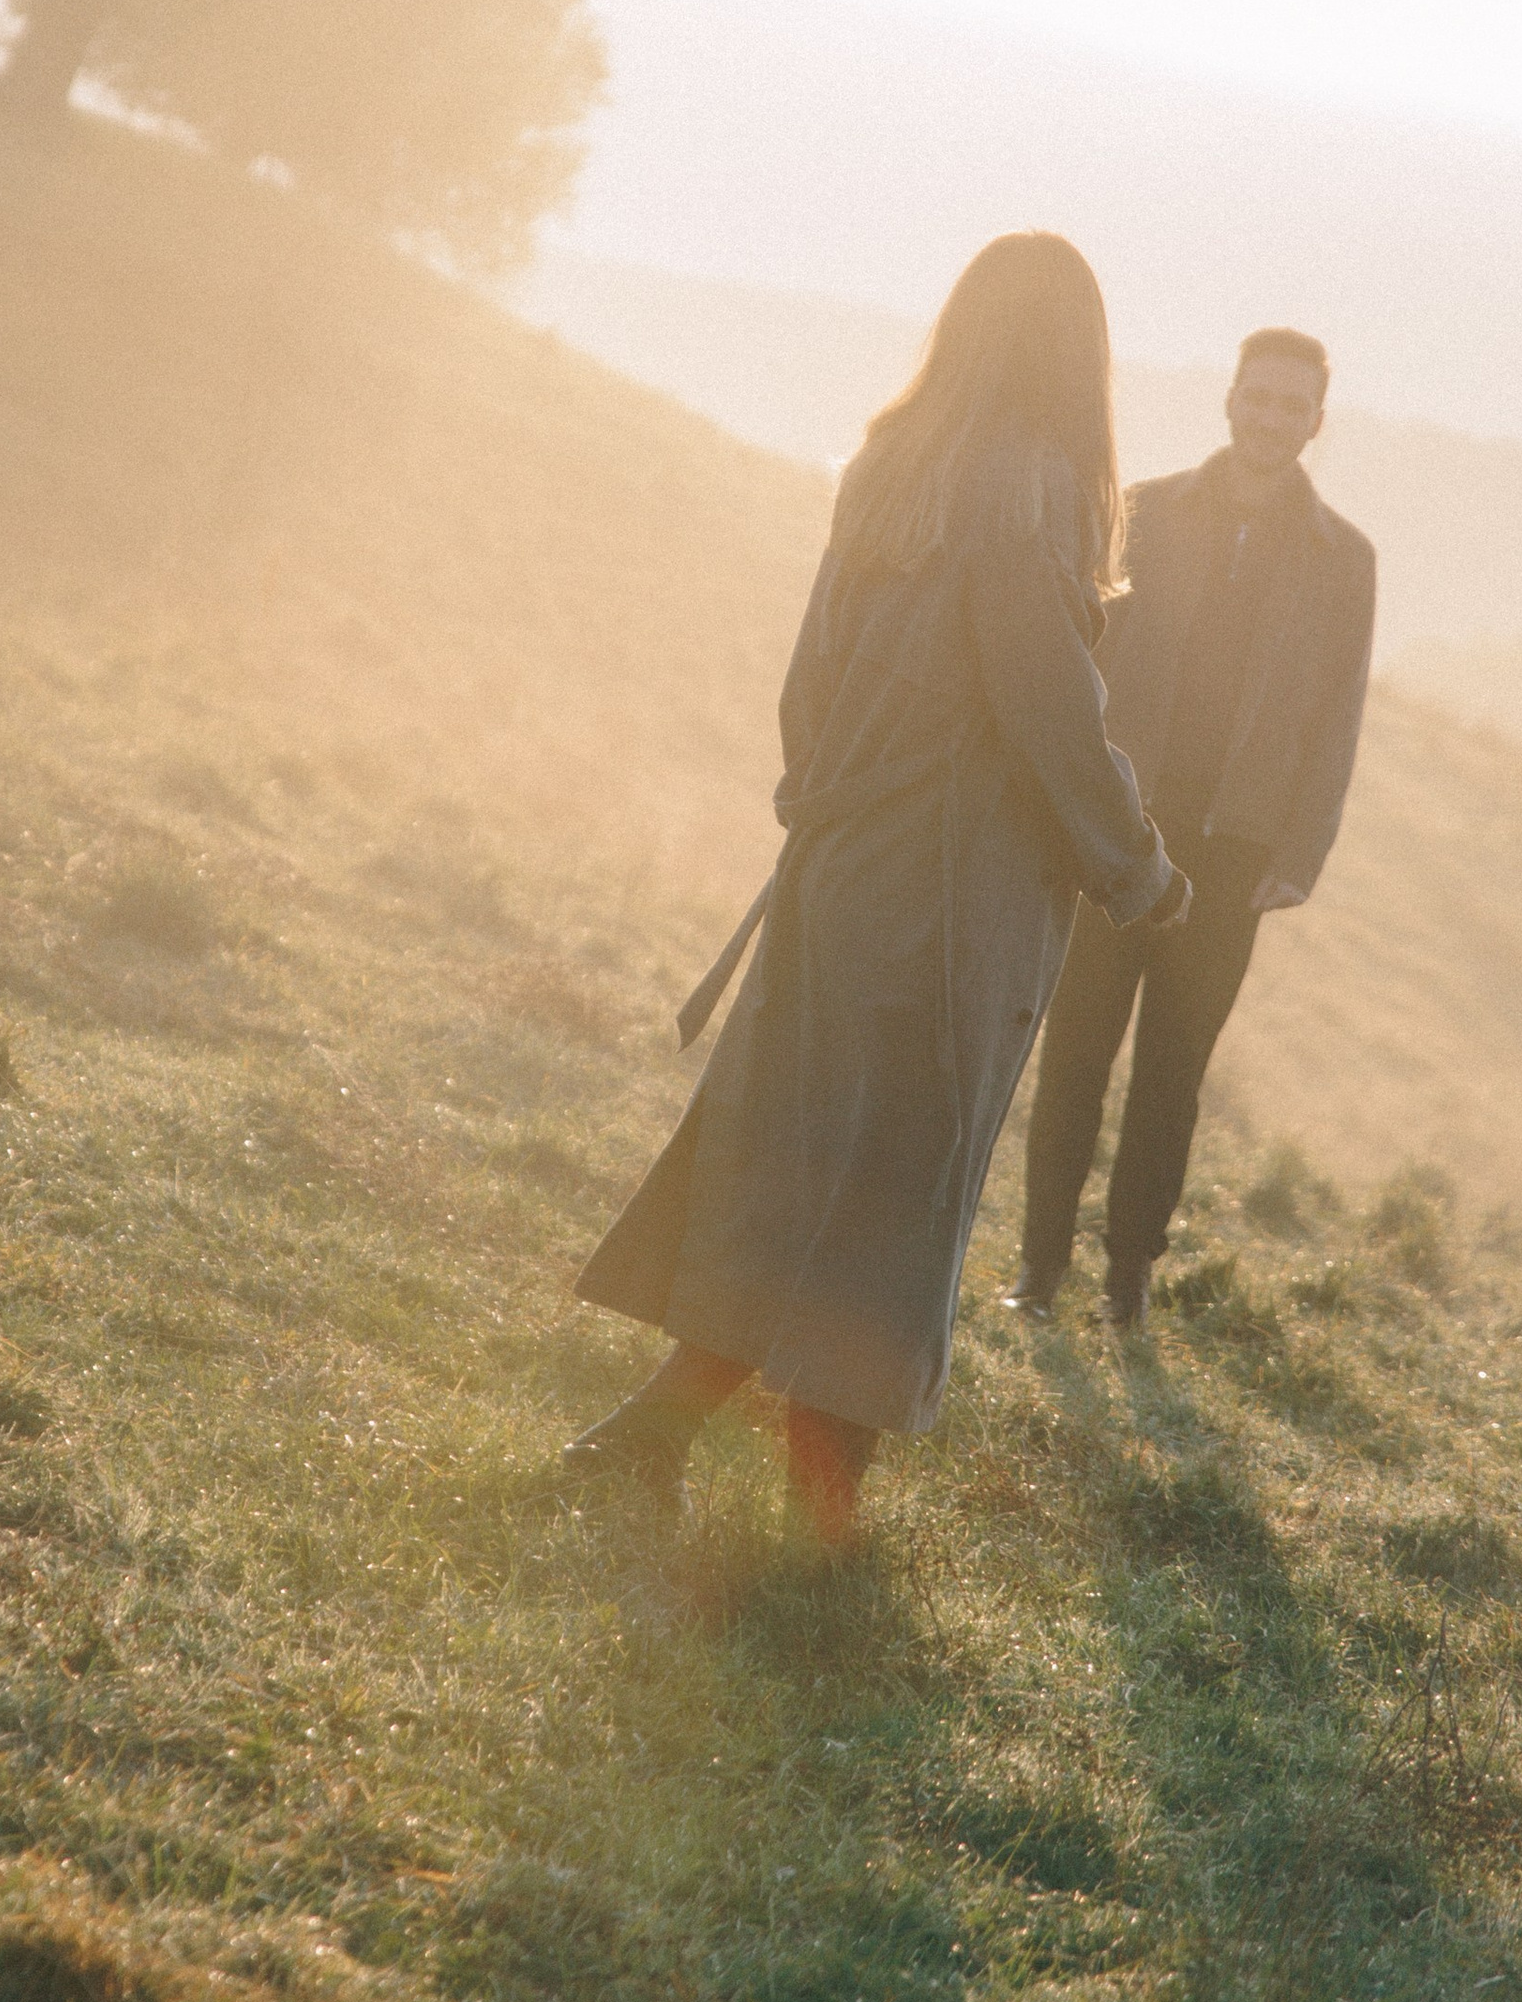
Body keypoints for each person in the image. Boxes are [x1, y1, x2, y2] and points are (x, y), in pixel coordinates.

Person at [563, 231, 1189, 1547]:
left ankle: (685, 1458)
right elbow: (1053, 718)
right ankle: (807, 1515)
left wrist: (822, 807)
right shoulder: (1036, 494)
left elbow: (812, 676)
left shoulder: (894, 462)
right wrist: (1140, 871)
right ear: (1079, 356)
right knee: (897, 1195)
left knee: (793, 1169)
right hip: (955, 903)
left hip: (847, 869)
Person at [1013, 325, 1375, 1330]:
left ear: (1315, 422)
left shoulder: (1346, 562)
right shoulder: (1145, 511)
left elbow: (1337, 715)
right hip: (1118, 833)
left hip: (1235, 854)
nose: (1269, 419)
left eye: (1289, 405)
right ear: (1229, 400)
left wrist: (1301, 854)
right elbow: (1078, 657)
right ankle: (1038, 1270)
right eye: (1255, 397)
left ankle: (1127, 1282)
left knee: (1173, 1077)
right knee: (1074, 1054)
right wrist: (1066, 804)